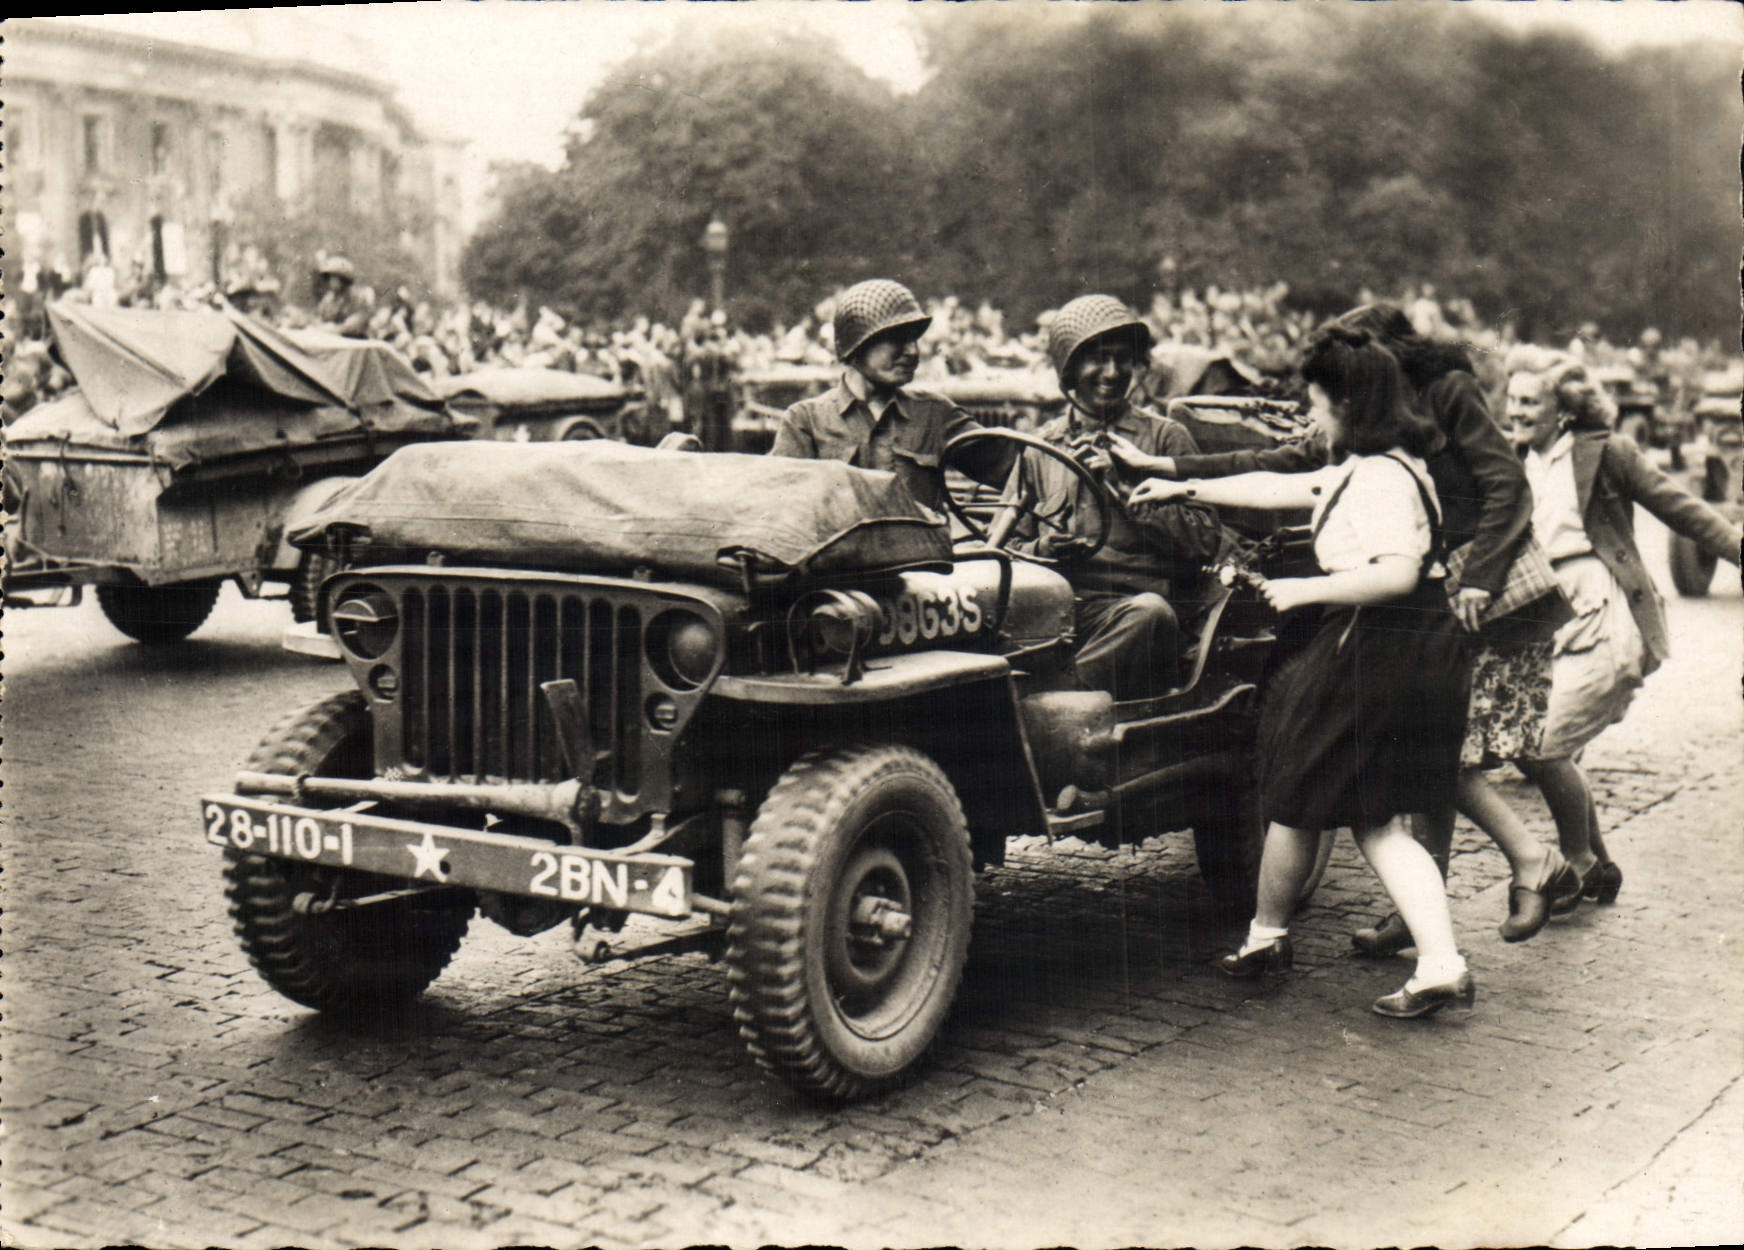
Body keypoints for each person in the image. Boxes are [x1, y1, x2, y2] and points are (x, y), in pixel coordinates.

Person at [1141, 303, 1579, 947]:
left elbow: (1507, 486)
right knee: (1429, 751)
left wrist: (1480, 577)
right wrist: (1173, 471)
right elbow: (1289, 463)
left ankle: (1527, 867)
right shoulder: (1369, 418)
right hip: (1434, 589)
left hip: (1478, 589)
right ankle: (1440, 905)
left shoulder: (1438, 393)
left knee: (1438, 752)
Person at [1131, 330, 1475, 1019]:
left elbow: (1396, 572)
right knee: (1308, 795)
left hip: (1380, 648)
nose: (1311, 415)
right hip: (1395, 645)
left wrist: (1305, 593)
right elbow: (1284, 484)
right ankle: (1271, 937)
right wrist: (1185, 481)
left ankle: (1439, 965)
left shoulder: (1377, 478)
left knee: (1358, 815)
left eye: (1317, 402)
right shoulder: (1377, 463)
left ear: (1349, 404)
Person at [1504, 352, 1742, 904]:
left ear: (1562, 411)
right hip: (1547, 613)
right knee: (1540, 743)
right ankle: (1601, 868)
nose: (1514, 412)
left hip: (1606, 607)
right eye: (1511, 400)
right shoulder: (1512, 457)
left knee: (1544, 744)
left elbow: (1679, 507)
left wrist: (1738, 549)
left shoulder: (1607, 452)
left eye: (1528, 402)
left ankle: (1580, 862)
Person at [1001, 294, 1221, 700]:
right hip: (1058, 610)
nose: (1112, 372)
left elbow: (1205, 539)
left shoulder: (1164, 438)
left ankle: (1049, 706)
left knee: (1150, 615)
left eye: (1123, 359)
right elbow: (1005, 545)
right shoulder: (1039, 448)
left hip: (1135, 612)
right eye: (1097, 359)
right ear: (1069, 368)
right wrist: (1042, 547)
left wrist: (1125, 491)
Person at [769, 279, 1013, 513]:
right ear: (856, 347)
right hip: (840, 556)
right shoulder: (806, 421)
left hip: (920, 556)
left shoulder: (933, 413)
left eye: (915, 339)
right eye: (897, 339)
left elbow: (1020, 470)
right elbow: (779, 512)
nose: (912, 351)